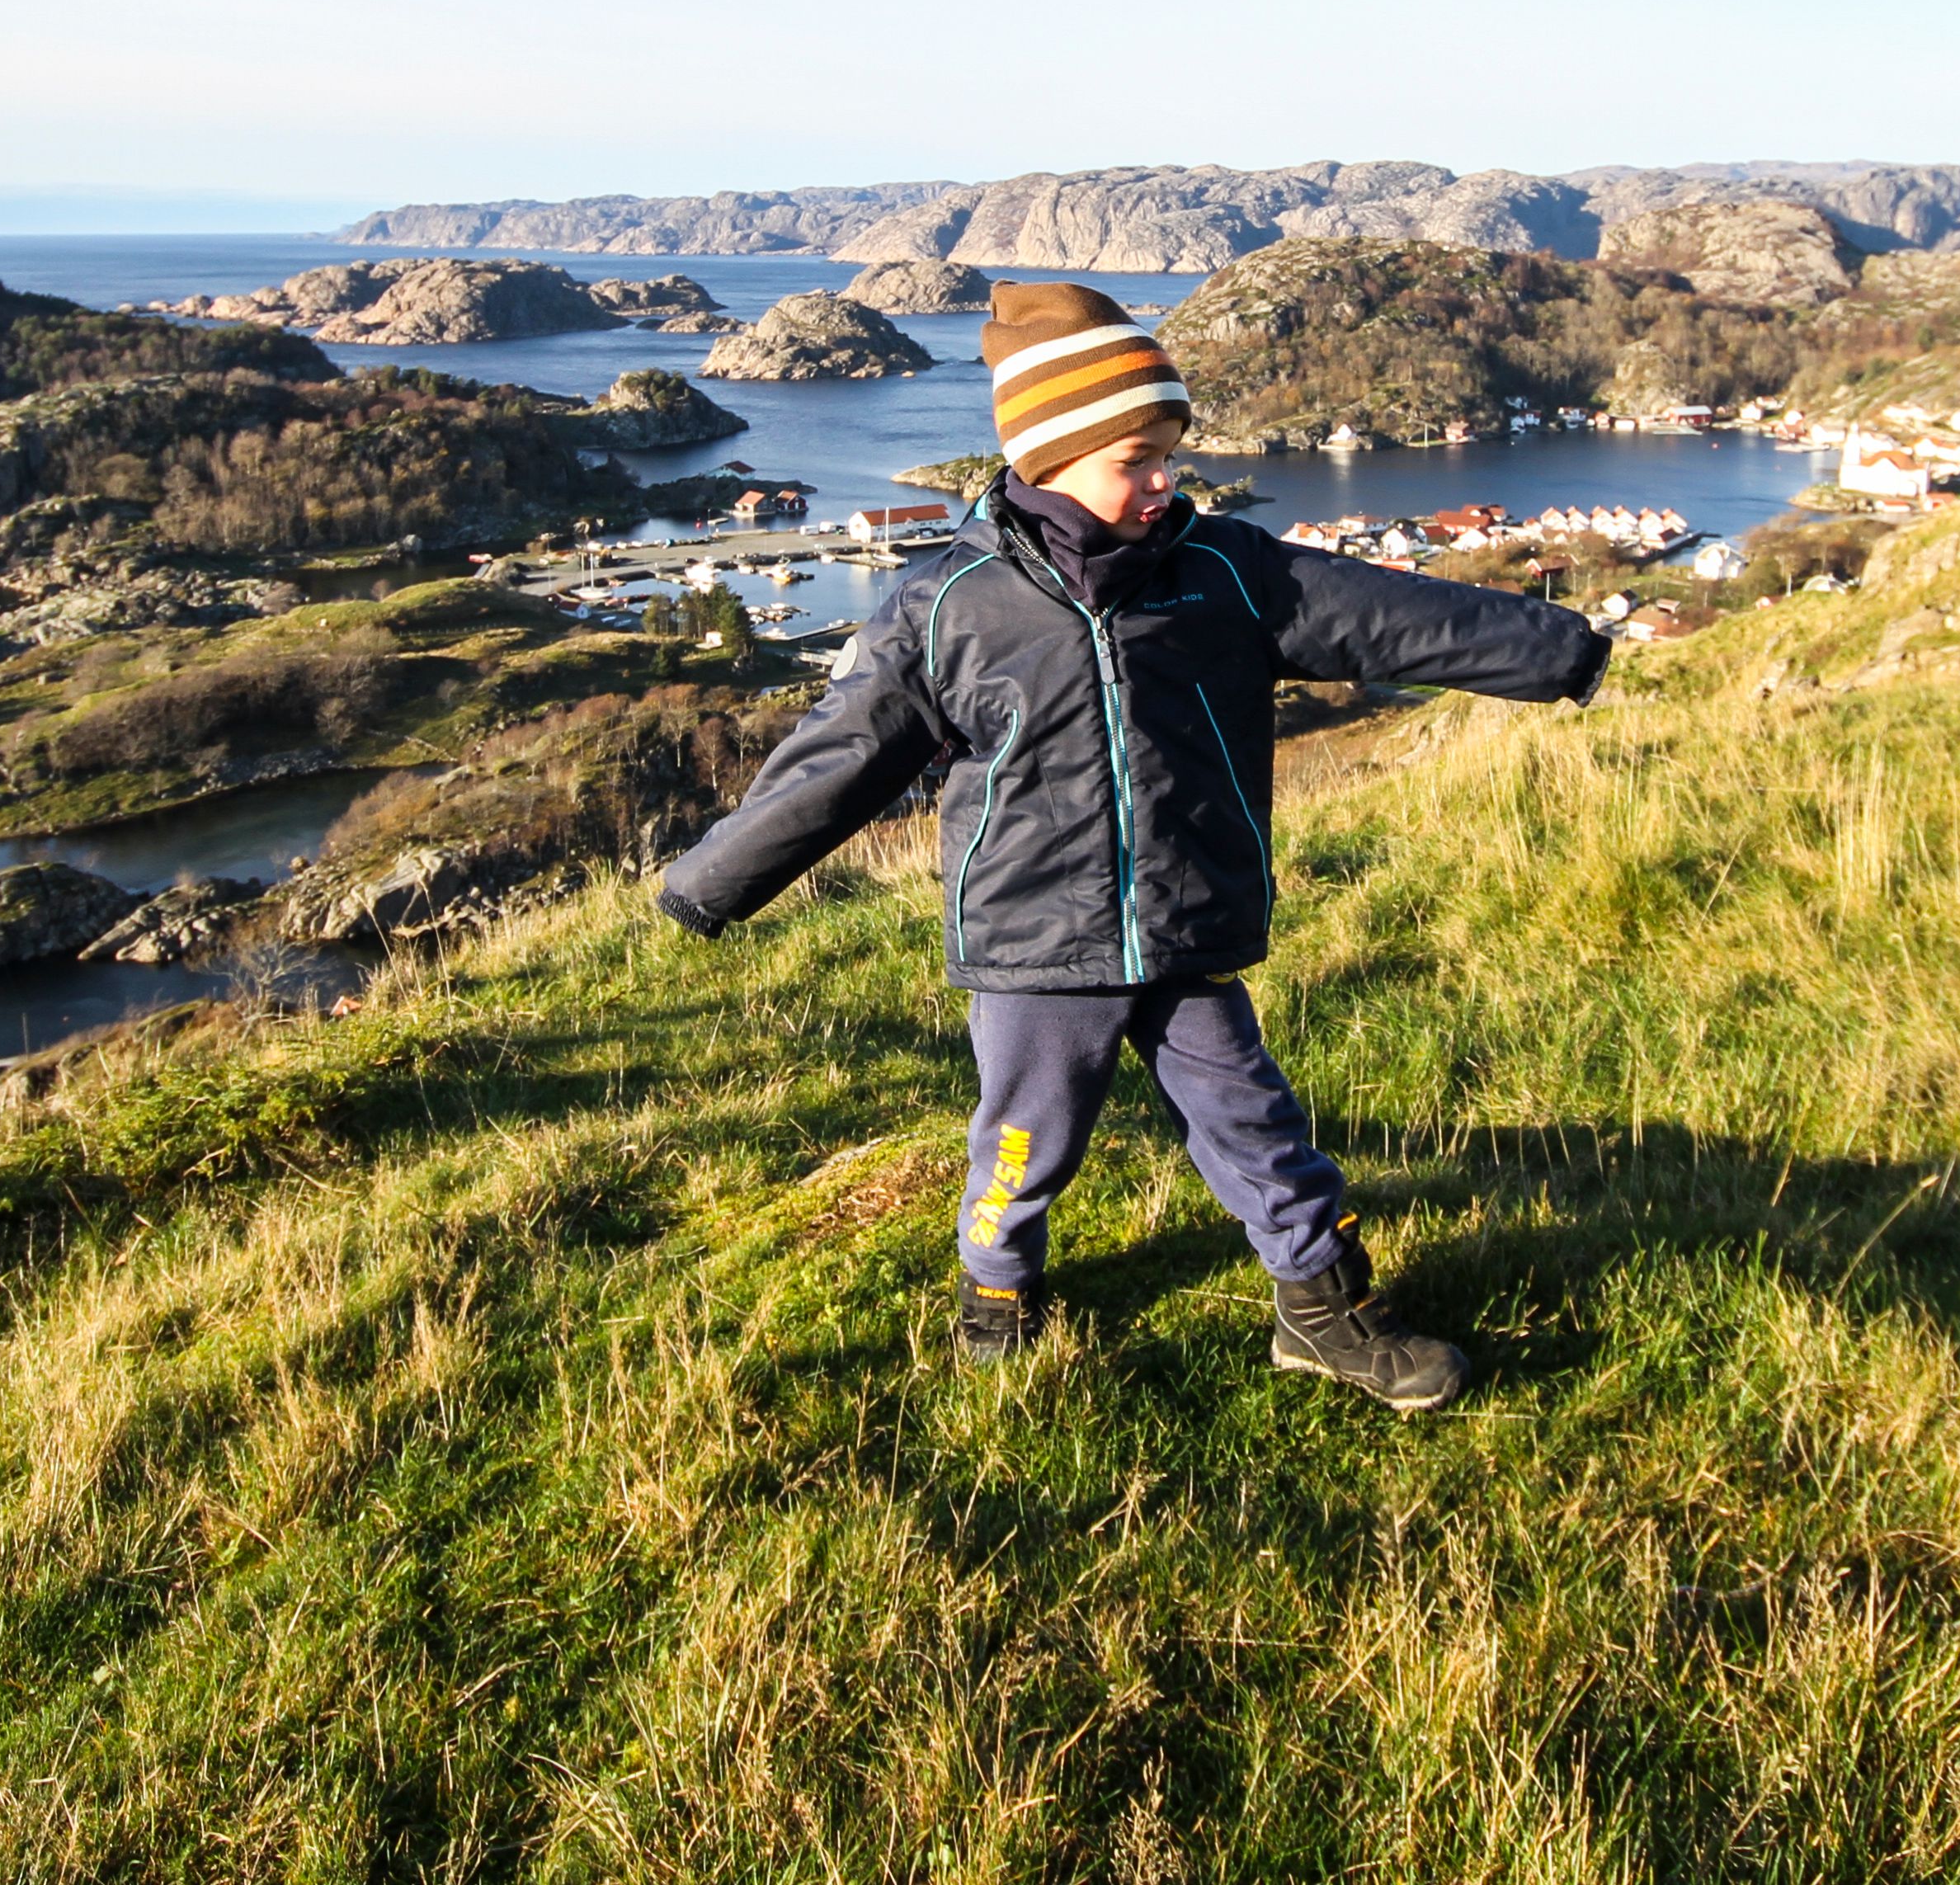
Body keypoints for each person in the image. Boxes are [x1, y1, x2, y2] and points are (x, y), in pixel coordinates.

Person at [657, 280, 1609, 1409]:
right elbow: (839, 757)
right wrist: (710, 885)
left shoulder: (1228, 573)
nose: (1165, 480)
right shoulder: (946, 604)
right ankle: (997, 1291)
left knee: (1262, 1127)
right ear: (1047, 457)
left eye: (1169, 453)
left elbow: (1396, 618)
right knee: (1023, 1147)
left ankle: (1324, 1312)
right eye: (1134, 458)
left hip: (1183, 921)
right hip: (1033, 946)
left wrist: (1561, 652)